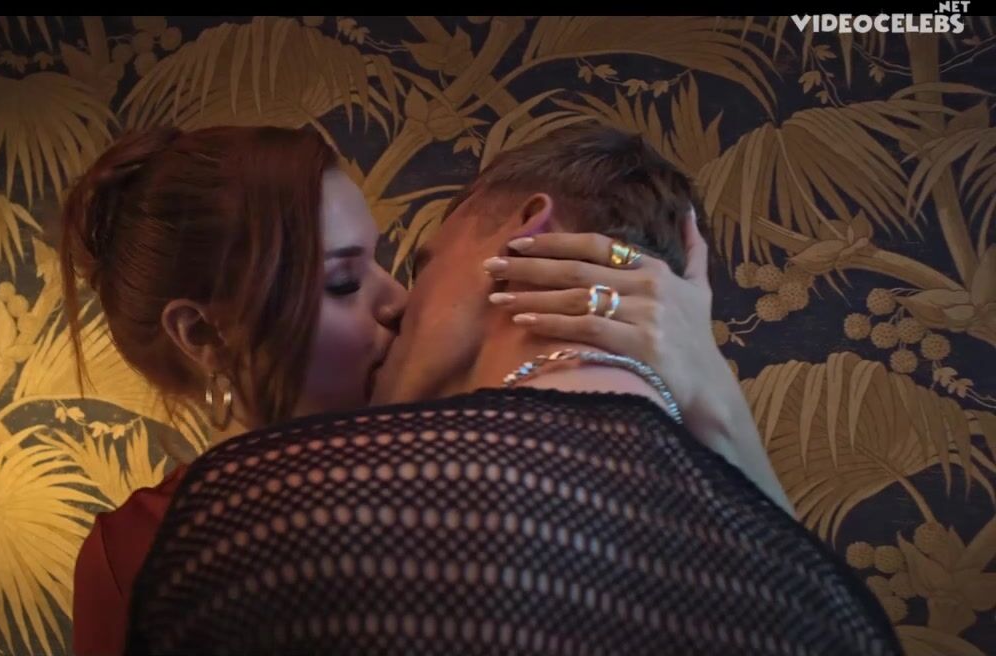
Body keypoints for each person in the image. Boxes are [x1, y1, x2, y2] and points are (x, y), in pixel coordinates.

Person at [123, 126, 902, 655]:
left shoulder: (261, 526)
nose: (402, 302)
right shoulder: (824, 602)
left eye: (422, 263)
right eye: (343, 281)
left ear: (525, 236)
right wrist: (715, 406)